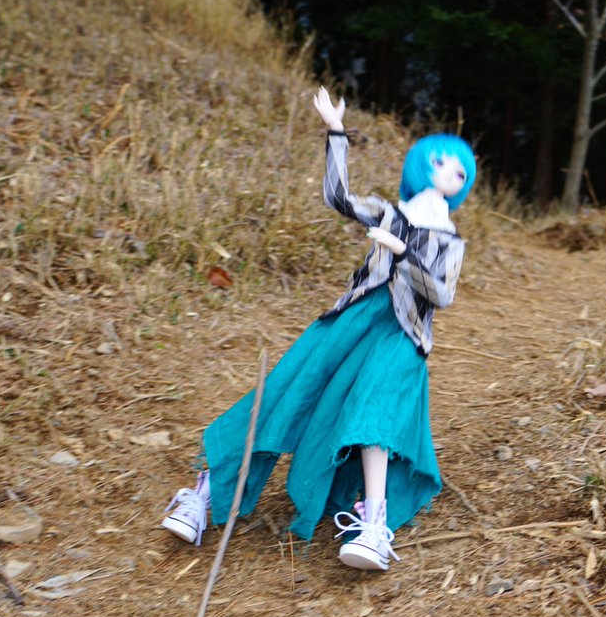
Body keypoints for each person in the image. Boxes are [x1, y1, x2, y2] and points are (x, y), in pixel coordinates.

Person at [161, 87, 475, 571]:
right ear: (422, 166)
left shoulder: (449, 240)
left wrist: (402, 253)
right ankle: (207, 493)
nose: (453, 172)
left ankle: (374, 525)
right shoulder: (391, 212)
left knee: (375, 412)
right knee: (286, 393)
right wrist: (335, 131)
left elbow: (441, 293)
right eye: (442, 162)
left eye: (462, 170)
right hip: (352, 320)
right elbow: (339, 197)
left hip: (402, 334)